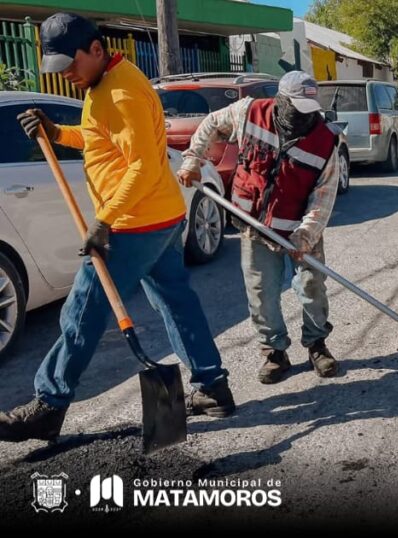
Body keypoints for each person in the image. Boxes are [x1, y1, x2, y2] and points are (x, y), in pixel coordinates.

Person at [0, 12, 234, 443]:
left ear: (95, 49)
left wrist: (105, 221)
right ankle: (212, 386)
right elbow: (98, 138)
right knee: (177, 303)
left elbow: (143, 166)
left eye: (71, 65)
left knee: (82, 312)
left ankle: (48, 405)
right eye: (58, 69)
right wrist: (56, 132)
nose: (67, 75)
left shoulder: (121, 92)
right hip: (160, 217)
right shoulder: (103, 83)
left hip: (133, 223)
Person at [177, 71, 341, 384]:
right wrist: (193, 159)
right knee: (262, 293)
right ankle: (274, 352)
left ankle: (317, 344)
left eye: (309, 109)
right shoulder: (248, 112)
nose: (303, 117)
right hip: (254, 225)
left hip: (300, 228)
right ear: (280, 101)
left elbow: (324, 195)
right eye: (296, 108)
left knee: (311, 287)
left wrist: (305, 235)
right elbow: (211, 123)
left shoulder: (325, 140)